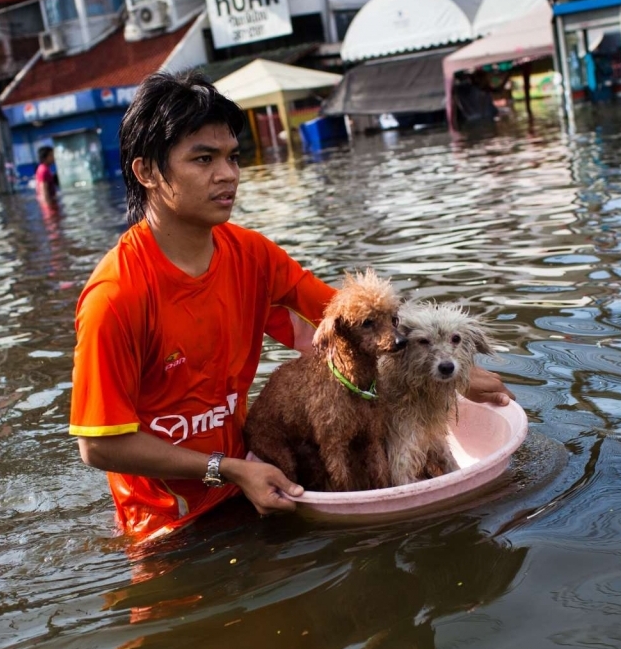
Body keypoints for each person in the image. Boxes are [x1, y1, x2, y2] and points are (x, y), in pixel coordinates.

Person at [69, 71, 514, 542]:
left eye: (232, 157)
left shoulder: (251, 256)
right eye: (203, 159)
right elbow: (99, 446)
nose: (227, 175)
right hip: (166, 526)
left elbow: (348, 328)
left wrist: (450, 373)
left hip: (251, 483)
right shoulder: (116, 296)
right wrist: (230, 470)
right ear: (147, 172)